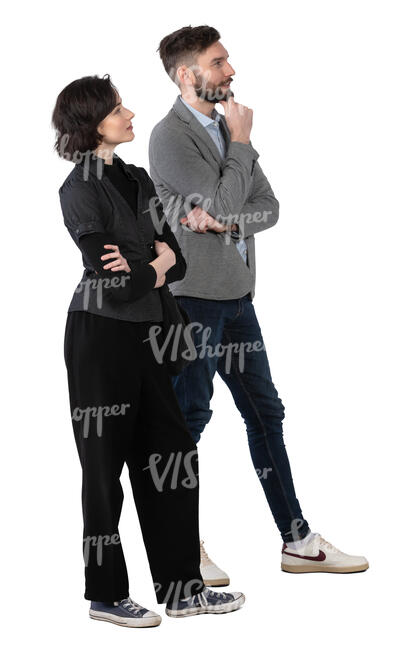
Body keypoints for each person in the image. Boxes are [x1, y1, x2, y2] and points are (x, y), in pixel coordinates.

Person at [148, 25, 369, 579]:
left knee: (266, 414)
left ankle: (297, 540)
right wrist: (240, 149)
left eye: (227, 61)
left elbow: (268, 207)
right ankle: (181, 545)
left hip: (239, 296)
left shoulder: (226, 128)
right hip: (193, 301)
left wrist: (223, 216)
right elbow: (222, 199)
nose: (231, 71)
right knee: (189, 420)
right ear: (187, 75)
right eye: (219, 62)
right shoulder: (169, 137)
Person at [52, 73, 245, 627]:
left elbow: (174, 263)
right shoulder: (78, 189)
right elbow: (116, 281)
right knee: (103, 468)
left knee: (173, 457)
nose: (130, 113)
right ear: (92, 122)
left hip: (152, 335)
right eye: (118, 108)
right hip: (100, 338)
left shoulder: (136, 178)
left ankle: (183, 590)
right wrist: (155, 261)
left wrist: (154, 263)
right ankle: (107, 594)